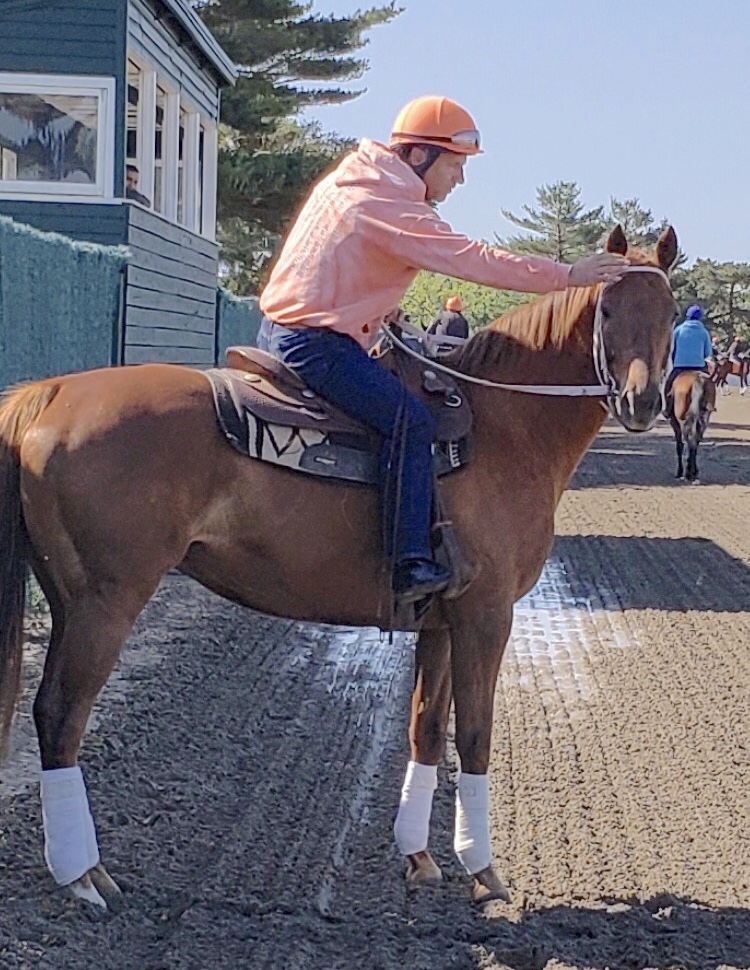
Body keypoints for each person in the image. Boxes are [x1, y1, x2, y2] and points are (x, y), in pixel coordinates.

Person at [257, 95, 627, 605]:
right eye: (455, 165)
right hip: (316, 344)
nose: (460, 180)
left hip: (296, 332)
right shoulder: (388, 204)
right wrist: (566, 277)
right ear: (419, 157)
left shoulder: (358, 181)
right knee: (412, 421)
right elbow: (469, 258)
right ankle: (410, 562)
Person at [663, 304, 713, 410]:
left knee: (668, 386)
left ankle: (667, 408)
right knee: (709, 386)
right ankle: (708, 404)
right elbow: (707, 353)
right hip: (699, 366)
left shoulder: (678, 330)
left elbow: (672, 348)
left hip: (680, 366)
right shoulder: (704, 332)